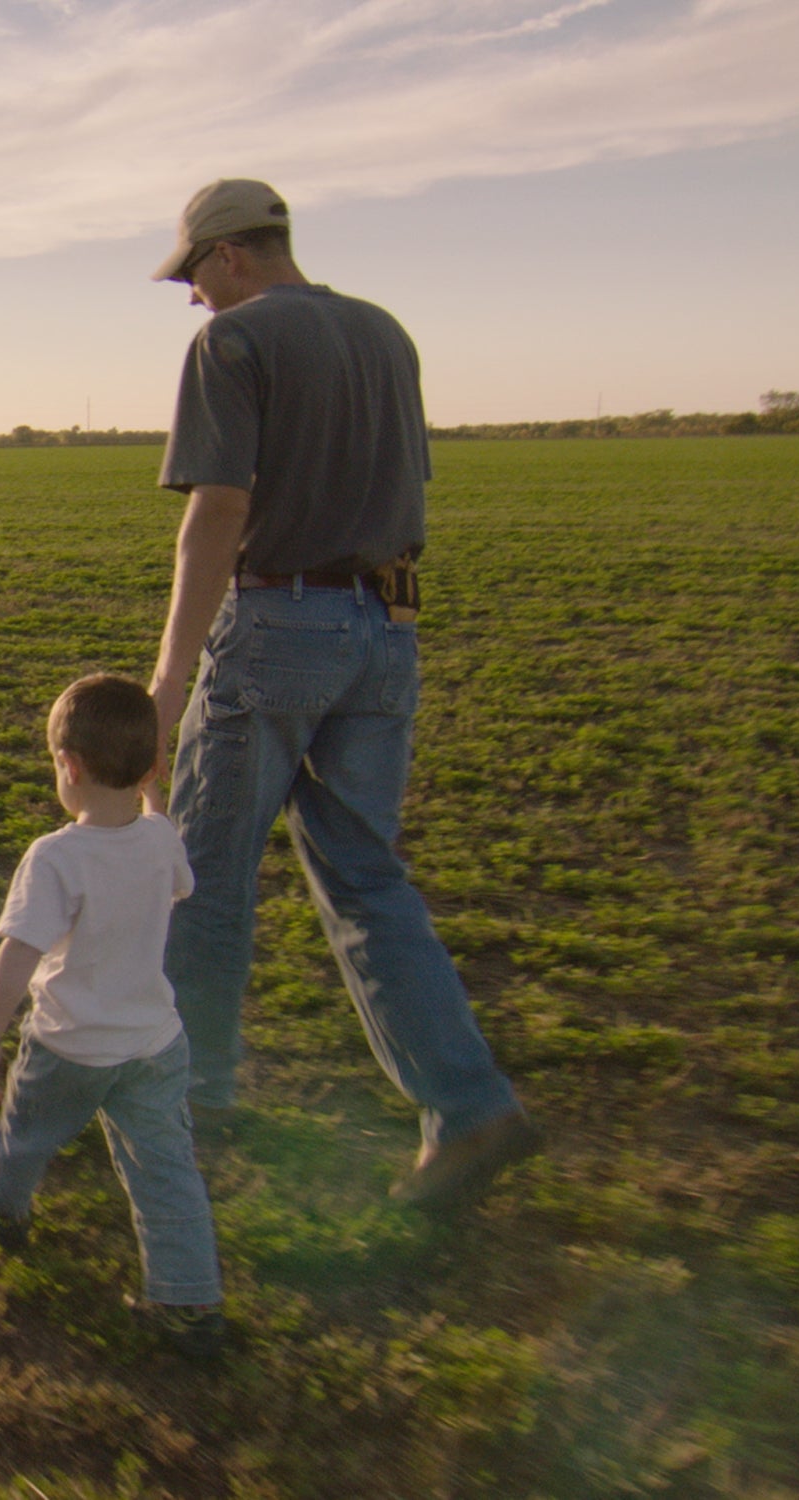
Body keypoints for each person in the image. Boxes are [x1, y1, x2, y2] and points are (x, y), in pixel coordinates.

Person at [146, 178, 538, 1210]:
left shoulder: (231, 346)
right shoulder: (384, 333)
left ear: (231, 253)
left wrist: (167, 677)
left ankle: (188, 1094)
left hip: (281, 624)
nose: (192, 297)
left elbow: (219, 511)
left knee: (205, 873)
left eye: (193, 274)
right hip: (389, 625)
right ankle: (469, 1106)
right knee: (367, 876)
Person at [0, 673, 225, 1359]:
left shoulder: (56, 857)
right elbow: (175, 872)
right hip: (155, 1046)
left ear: (68, 768)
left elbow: (19, 955)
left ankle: (1, 1210)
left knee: (24, 1135)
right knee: (166, 1167)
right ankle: (189, 1298)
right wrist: (153, 792)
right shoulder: (162, 839)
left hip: (69, 1048)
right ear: (150, 770)